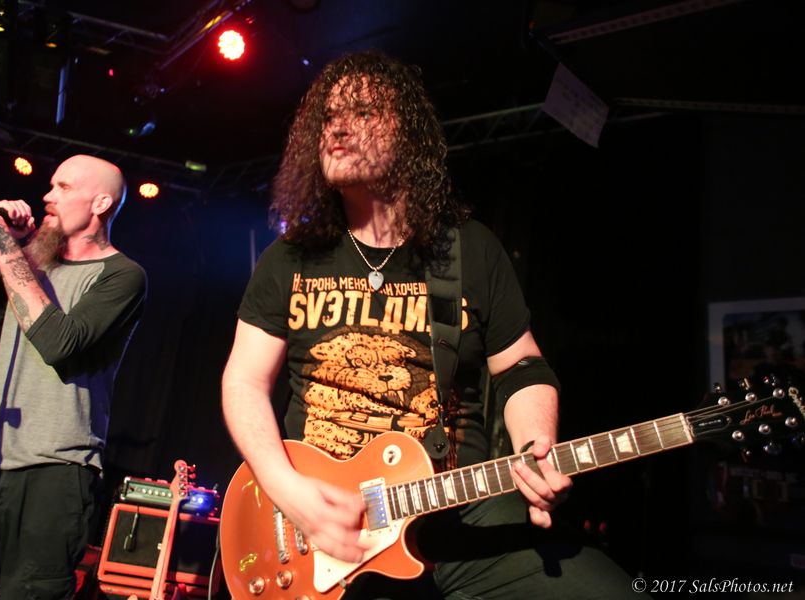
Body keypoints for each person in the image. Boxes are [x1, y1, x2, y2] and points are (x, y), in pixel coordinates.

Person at [222, 51, 637, 598]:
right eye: (329, 117)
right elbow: (244, 381)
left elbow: (521, 366)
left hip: (456, 513)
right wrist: (288, 491)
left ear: (407, 133)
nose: (338, 128)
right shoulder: (291, 256)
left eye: (363, 113)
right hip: (320, 524)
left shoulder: (468, 250)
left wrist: (537, 447)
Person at [0, 154, 147, 599]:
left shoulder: (122, 275)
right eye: (50, 186)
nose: (47, 196)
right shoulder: (30, 261)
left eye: (63, 188)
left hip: (56, 467)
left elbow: (59, 342)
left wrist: (6, 248)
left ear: (100, 204)